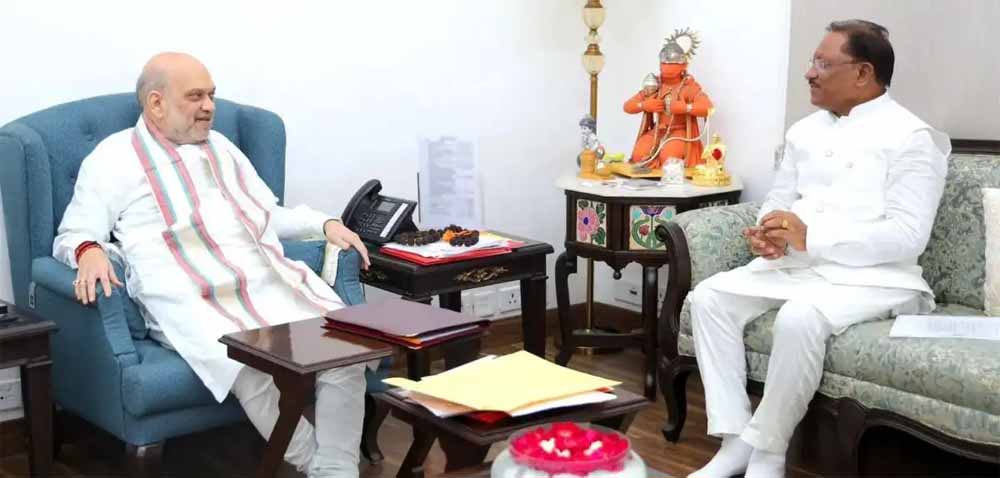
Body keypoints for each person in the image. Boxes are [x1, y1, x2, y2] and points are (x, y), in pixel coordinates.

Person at [54, 52, 373, 478]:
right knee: (245, 365)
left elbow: (266, 214)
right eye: (195, 96)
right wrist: (89, 251)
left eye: (211, 95)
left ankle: (334, 468)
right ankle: (325, 468)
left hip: (264, 280)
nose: (209, 106)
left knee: (344, 349)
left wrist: (323, 223)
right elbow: (74, 233)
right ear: (155, 103)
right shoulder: (113, 158)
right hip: (188, 297)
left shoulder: (223, 148)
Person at [687, 20, 950, 478]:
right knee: (709, 298)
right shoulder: (803, 131)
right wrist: (768, 232)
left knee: (800, 317)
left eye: (823, 64)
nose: (809, 73)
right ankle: (734, 441)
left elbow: (909, 236)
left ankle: (768, 453)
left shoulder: (913, 138)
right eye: (812, 62)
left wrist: (810, 238)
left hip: (877, 277)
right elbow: (779, 199)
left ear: (864, 73)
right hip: (800, 268)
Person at [623, 31, 713, 172]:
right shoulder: (654, 84)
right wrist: (644, 105)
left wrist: (686, 108)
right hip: (657, 131)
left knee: (669, 160)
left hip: (679, 132)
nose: (667, 67)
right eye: (664, 63)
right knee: (639, 156)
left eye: (672, 64)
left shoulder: (688, 86)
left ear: (684, 65)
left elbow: (708, 108)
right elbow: (627, 106)